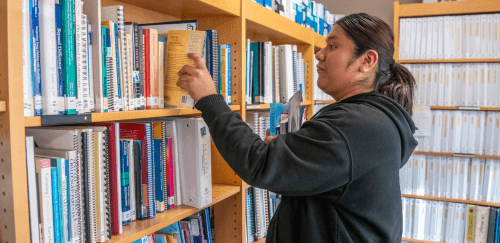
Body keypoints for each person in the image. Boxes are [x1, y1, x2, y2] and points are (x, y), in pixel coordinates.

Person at [177, 13, 417, 243]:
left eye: (332, 46)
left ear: (367, 61)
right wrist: (294, 150)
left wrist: (209, 98)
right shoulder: (371, 119)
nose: (319, 54)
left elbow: (259, 164)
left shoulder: (355, 126)